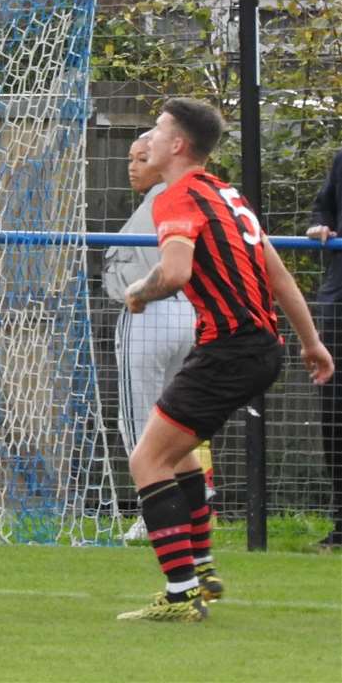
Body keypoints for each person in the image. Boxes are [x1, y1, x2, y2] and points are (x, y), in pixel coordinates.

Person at [116, 98, 333, 623]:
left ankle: (181, 592)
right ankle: (204, 569)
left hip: (229, 349)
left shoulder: (178, 198)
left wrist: (138, 292)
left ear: (179, 144)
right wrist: (311, 342)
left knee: (147, 461)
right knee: (178, 453)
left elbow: (175, 272)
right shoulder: (227, 194)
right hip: (263, 349)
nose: (149, 138)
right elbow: (278, 276)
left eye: (159, 129)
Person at [103, 131, 208, 542]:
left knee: (141, 418)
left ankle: (157, 514)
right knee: (172, 416)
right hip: (187, 312)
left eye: (142, 157)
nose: (132, 166)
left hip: (147, 312)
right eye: (130, 158)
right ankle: (192, 502)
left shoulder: (168, 196)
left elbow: (142, 272)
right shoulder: (183, 196)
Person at [306, 147, 342, 550]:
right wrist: (321, 225)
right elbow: (324, 208)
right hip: (339, 305)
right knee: (335, 416)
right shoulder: (341, 159)